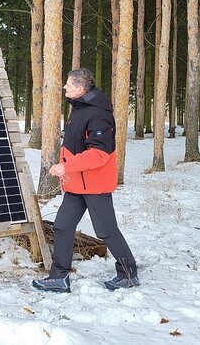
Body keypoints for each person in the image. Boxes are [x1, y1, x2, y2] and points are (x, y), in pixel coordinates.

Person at [32, 68, 138, 293]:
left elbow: (99, 154)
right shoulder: (80, 107)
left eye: (68, 85)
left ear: (80, 89)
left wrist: (65, 166)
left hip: (95, 184)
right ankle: (58, 277)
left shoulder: (99, 114)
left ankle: (128, 273)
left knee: (106, 230)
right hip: (77, 184)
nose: (64, 88)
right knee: (62, 226)